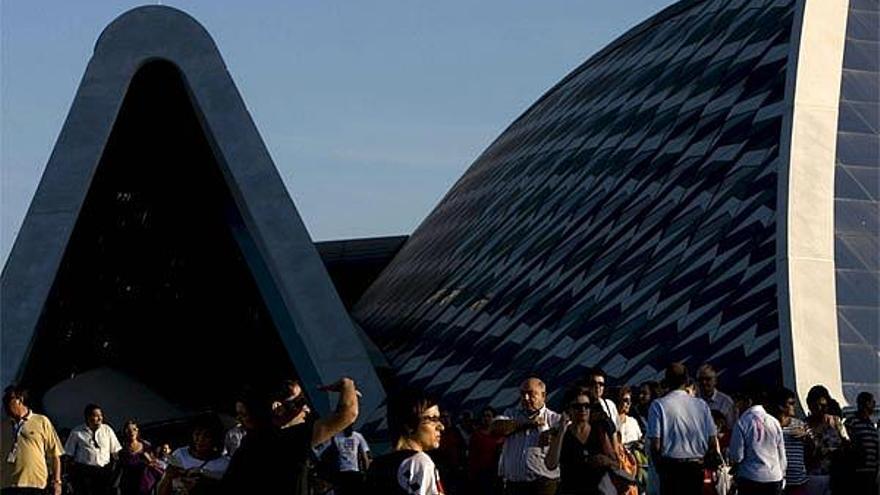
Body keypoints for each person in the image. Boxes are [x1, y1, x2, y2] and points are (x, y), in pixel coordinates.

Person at [221, 377, 360, 494]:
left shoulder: (252, 443)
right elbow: (347, 414)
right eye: (299, 401)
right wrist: (347, 384)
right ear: (278, 407)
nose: (306, 408)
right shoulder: (282, 440)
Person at [646, 362, 719, 495]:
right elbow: (712, 442)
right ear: (686, 381)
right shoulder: (701, 405)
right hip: (696, 469)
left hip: (670, 471)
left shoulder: (658, 405)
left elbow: (655, 445)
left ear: (666, 381)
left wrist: (660, 471)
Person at [366, 389, 445, 494]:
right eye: (433, 419)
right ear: (409, 425)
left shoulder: (377, 465)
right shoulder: (419, 462)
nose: (441, 427)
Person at [491, 377, 561, 495]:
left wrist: (551, 433)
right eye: (523, 394)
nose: (526, 398)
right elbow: (496, 428)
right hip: (514, 486)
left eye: (531, 394)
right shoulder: (511, 414)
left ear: (543, 395)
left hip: (543, 485)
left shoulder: (554, 419)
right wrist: (528, 424)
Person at [545, 387, 619, 495]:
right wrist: (561, 430)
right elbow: (551, 465)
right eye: (577, 407)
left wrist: (605, 461)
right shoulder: (562, 434)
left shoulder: (599, 432)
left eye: (586, 406)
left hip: (597, 490)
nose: (583, 410)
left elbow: (616, 464)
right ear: (568, 409)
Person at [1, 385, 64, 495]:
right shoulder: (2, 426)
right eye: (4, 400)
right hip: (8, 485)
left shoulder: (41, 421)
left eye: (8, 400)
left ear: (20, 399)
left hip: (35, 484)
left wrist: (57, 481)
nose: (5, 404)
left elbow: (54, 454)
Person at [728, 388, 786, 495]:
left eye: (739, 401)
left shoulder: (742, 423)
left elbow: (737, 456)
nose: (737, 405)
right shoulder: (774, 421)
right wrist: (782, 477)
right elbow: (782, 455)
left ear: (748, 401)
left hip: (750, 478)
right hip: (774, 478)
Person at [157, 414, 228, 495]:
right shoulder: (180, 454)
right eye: (197, 434)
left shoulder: (224, 464)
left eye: (206, 436)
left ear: (215, 438)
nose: (200, 439)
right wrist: (168, 477)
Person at [64, 403, 122, 495]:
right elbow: (69, 454)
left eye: (101, 415)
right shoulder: (77, 432)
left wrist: (115, 470)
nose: (100, 418)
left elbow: (115, 451)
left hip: (104, 472)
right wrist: (68, 475)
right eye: (96, 416)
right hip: (85, 472)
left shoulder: (107, 430)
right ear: (88, 417)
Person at [804, 385, 848, 495]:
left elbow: (847, 444)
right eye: (817, 405)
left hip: (835, 476)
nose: (822, 409)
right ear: (810, 406)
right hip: (812, 476)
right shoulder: (804, 426)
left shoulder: (836, 422)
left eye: (824, 405)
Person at [771, 388, 810, 495]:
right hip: (776, 480)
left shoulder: (800, 425)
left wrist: (807, 437)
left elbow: (812, 450)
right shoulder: (770, 425)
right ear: (781, 406)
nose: (795, 406)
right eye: (791, 403)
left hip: (798, 481)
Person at [115, 420, 162, 495]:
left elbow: (153, 462)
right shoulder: (122, 449)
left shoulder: (146, 446)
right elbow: (120, 467)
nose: (131, 432)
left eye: (134, 429)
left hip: (145, 485)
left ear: (137, 430)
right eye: (128, 430)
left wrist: (150, 462)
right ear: (125, 432)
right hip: (129, 485)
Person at [844, 392, 878, 494]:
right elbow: (846, 443)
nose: (874, 405)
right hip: (857, 472)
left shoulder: (871, 425)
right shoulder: (852, 422)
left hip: (871, 472)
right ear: (867, 403)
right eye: (873, 402)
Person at [468, 407, 503, 495]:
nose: (486, 419)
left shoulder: (499, 435)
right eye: (484, 416)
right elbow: (472, 456)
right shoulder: (476, 435)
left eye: (488, 416)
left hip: (496, 473)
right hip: (481, 474)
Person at [329, 426, 371, 495]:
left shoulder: (357, 436)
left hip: (350, 473)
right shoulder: (336, 437)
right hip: (346, 473)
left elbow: (365, 457)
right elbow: (365, 457)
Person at [696, 364, 737, 431]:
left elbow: (732, 429)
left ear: (715, 381)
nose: (704, 382)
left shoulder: (726, 402)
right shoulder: (692, 400)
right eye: (701, 379)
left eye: (708, 379)